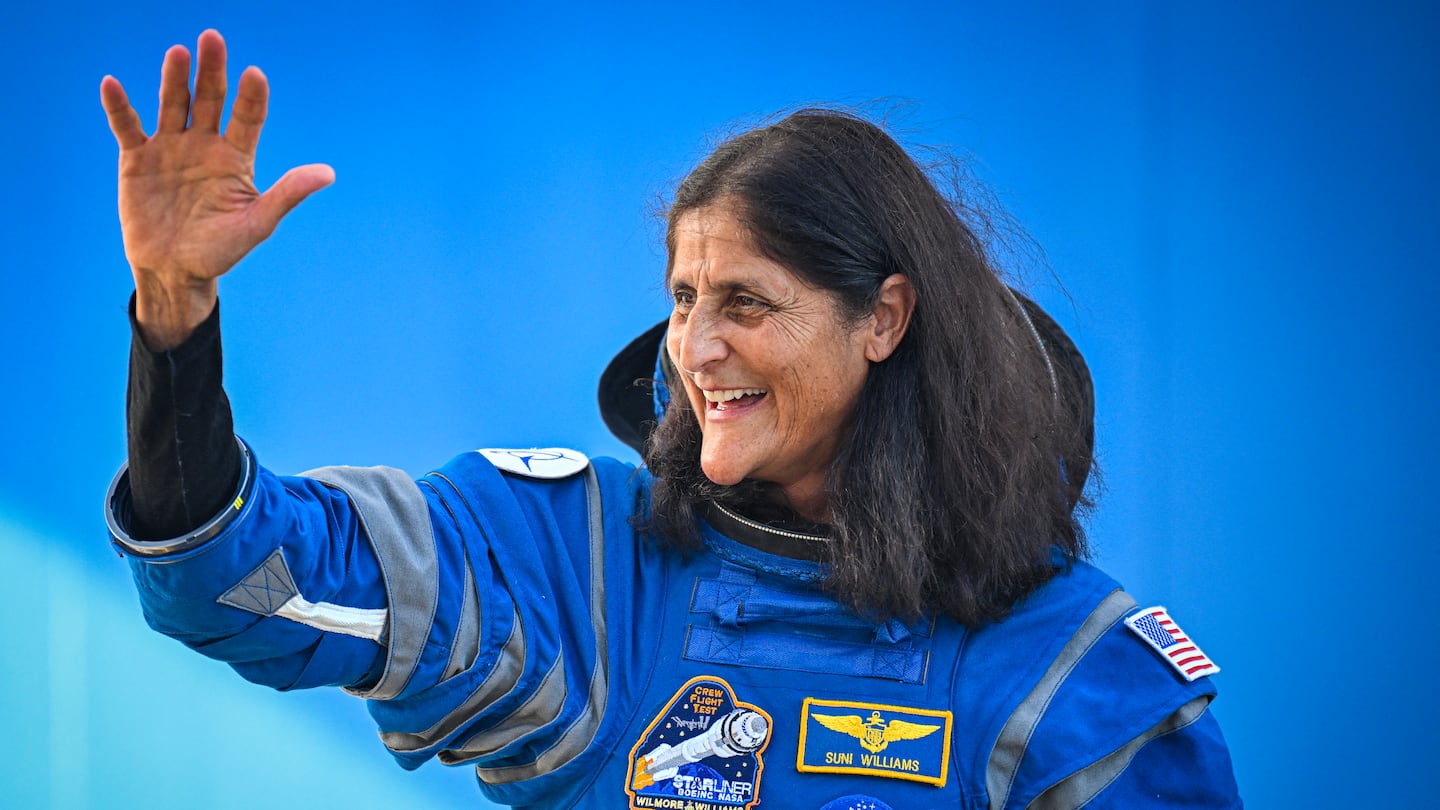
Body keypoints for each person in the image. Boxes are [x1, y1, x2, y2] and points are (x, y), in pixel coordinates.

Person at [101, 30, 1242, 810]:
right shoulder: (579, 568)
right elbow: (245, 584)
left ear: (884, 318)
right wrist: (175, 314)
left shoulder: (1075, 666)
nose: (694, 352)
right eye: (684, 298)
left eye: (747, 303)